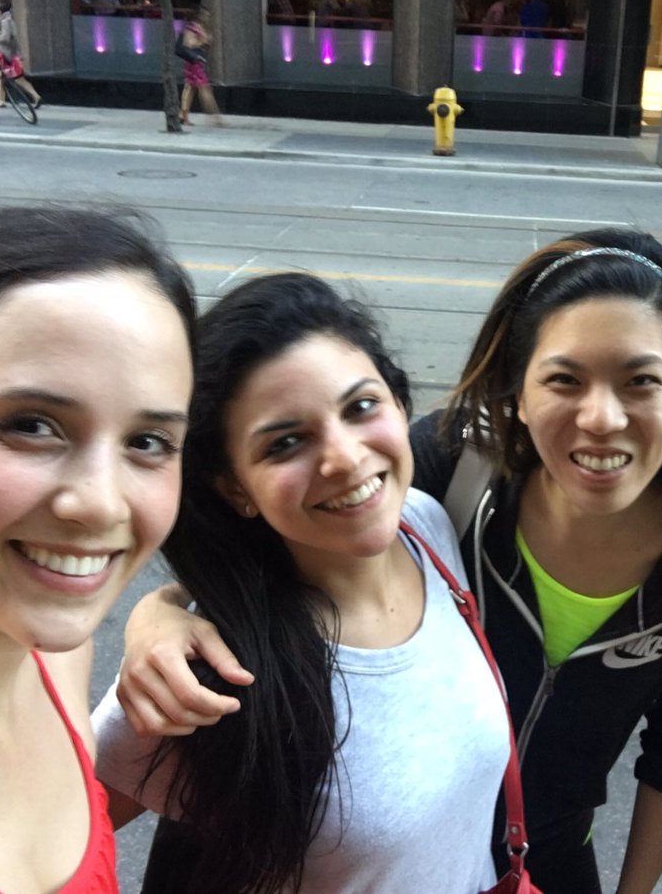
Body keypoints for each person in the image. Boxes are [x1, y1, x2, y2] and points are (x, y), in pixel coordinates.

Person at [116, 229, 662, 893]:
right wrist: (167, 611)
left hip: (534, 854)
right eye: (564, 380)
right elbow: (292, 541)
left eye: (641, 381)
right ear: (519, 393)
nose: (601, 418)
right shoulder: (453, 478)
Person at [92, 273, 510, 893]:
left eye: (360, 407)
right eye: (286, 442)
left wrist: (162, 601)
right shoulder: (217, 667)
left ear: (398, 406)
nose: (343, 457)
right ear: (236, 487)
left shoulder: (424, 525)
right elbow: (55, 836)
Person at [0, 205, 196, 893]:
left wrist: (167, 609)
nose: (102, 502)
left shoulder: (55, 657)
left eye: (148, 442)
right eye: (32, 425)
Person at [0, 0, 41, 109]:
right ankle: (1, 100)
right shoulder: (9, 19)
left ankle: (34, 96)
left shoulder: (5, 21)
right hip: (9, 54)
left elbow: (6, 38)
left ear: (0, 10)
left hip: (6, 55)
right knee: (3, 77)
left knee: (17, 79)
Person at [177, 7, 224, 127]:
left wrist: (206, 41)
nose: (208, 18)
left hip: (197, 62)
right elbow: (189, 44)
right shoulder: (192, 28)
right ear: (199, 16)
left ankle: (183, 115)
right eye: (206, 15)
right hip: (194, 63)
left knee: (190, 88)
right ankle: (215, 117)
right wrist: (203, 41)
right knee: (205, 89)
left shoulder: (199, 27)